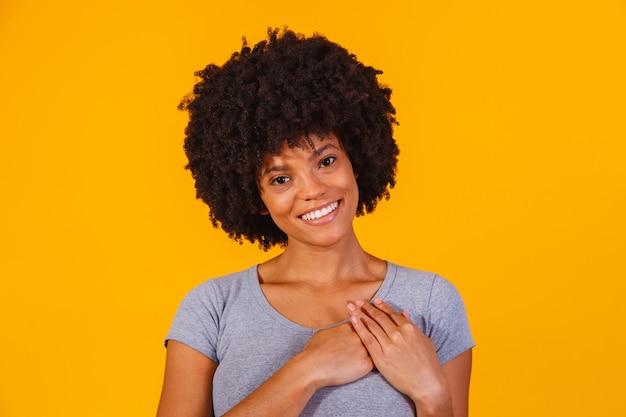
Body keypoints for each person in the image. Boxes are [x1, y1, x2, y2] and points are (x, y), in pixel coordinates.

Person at [157, 28, 474, 417]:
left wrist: (433, 397)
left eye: (325, 161)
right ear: (256, 198)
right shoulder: (213, 308)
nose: (314, 190)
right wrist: (308, 369)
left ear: (354, 158)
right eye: (280, 179)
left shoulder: (431, 302)